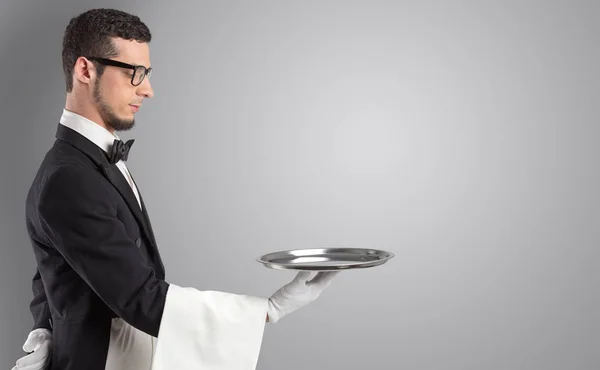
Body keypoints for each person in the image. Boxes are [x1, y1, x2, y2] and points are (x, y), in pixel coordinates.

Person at [11, 8, 338, 370]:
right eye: (134, 73)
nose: (148, 90)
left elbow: (52, 265)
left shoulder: (86, 160)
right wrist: (269, 309)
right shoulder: (69, 177)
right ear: (86, 70)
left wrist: (45, 327)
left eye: (147, 74)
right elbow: (141, 299)